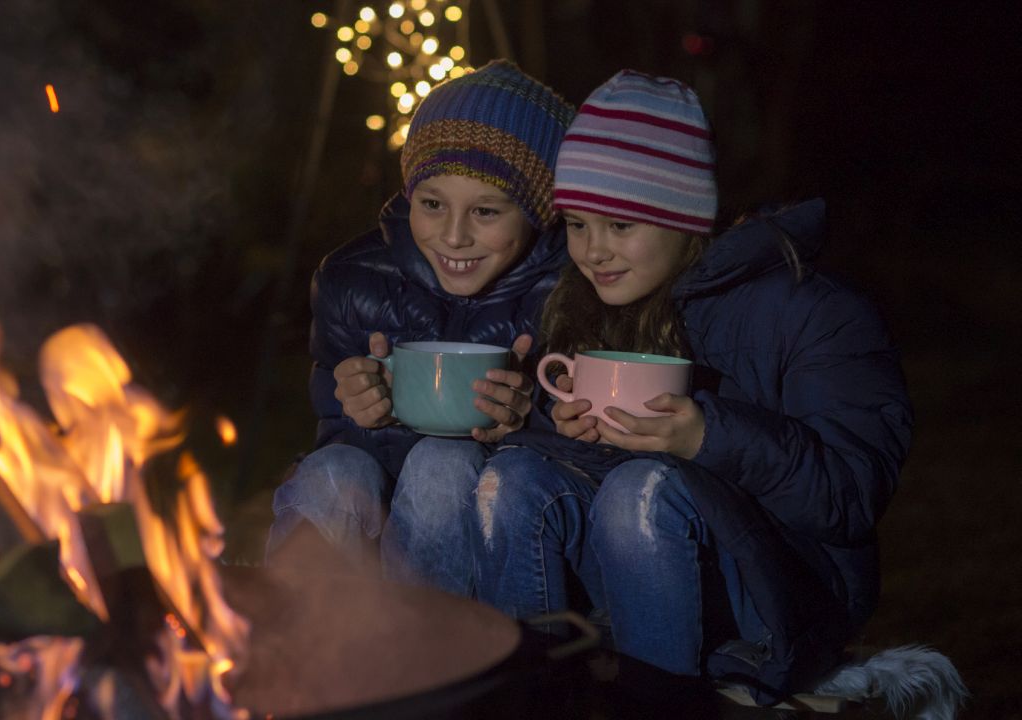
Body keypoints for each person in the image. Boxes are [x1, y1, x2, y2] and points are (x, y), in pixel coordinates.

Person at [467, 70, 913, 705]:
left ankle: (659, 705)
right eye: (578, 225)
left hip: (781, 594)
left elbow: (849, 496)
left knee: (640, 489)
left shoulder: (813, 311)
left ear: (685, 218)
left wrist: (708, 434)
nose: (593, 252)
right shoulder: (586, 301)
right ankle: (525, 701)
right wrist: (563, 431)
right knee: (511, 478)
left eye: (620, 226)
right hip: (639, 568)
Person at [265, 60, 576, 594]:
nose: (454, 236)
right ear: (410, 194)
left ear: (538, 212)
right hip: (375, 512)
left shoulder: (567, 297)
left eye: (486, 212)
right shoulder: (351, 280)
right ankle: (282, 647)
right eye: (432, 204)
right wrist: (362, 412)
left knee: (441, 462)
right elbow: (340, 441)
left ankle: (427, 658)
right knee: (330, 469)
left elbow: (581, 469)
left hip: (486, 541)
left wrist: (529, 421)